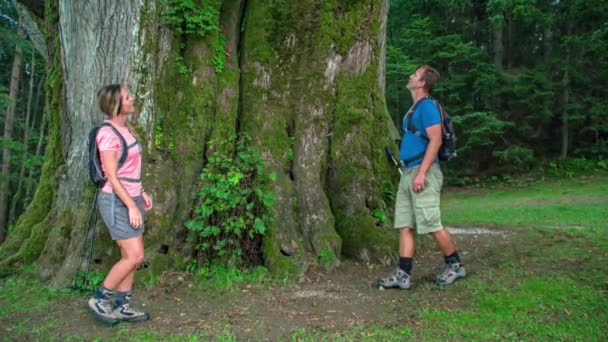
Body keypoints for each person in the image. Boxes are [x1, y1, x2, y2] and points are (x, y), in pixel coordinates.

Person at [378, 65, 465, 289]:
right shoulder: (414, 108)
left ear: (422, 82)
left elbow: (435, 140)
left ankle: (455, 265)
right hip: (408, 173)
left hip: (422, 172)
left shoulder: (427, 107)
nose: (410, 76)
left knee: (431, 223)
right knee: (405, 225)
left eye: (415, 74)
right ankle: (403, 274)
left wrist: (422, 173)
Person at [88, 84, 152, 323]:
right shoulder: (107, 133)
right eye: (127, 97)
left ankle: (122, 305)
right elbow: (112, 176)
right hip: (116, 200)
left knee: (130, 255)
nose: (132, 98)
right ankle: (100, 299)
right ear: (116, 105)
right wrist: (132, 206)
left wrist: (141, 193)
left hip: (132, 196)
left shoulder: (126, 129)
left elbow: (130, 169)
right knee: (134, 256)